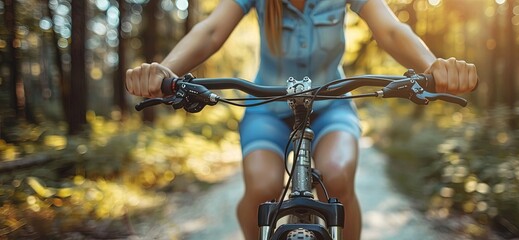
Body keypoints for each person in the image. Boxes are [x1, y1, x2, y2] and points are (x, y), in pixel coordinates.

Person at [125, 0, 478, 239]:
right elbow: (211, 30)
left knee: (338, 176)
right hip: (266, 107)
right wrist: (166, 72)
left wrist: (434, 67)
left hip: (332, 105)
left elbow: (389, 29)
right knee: (262, 187)